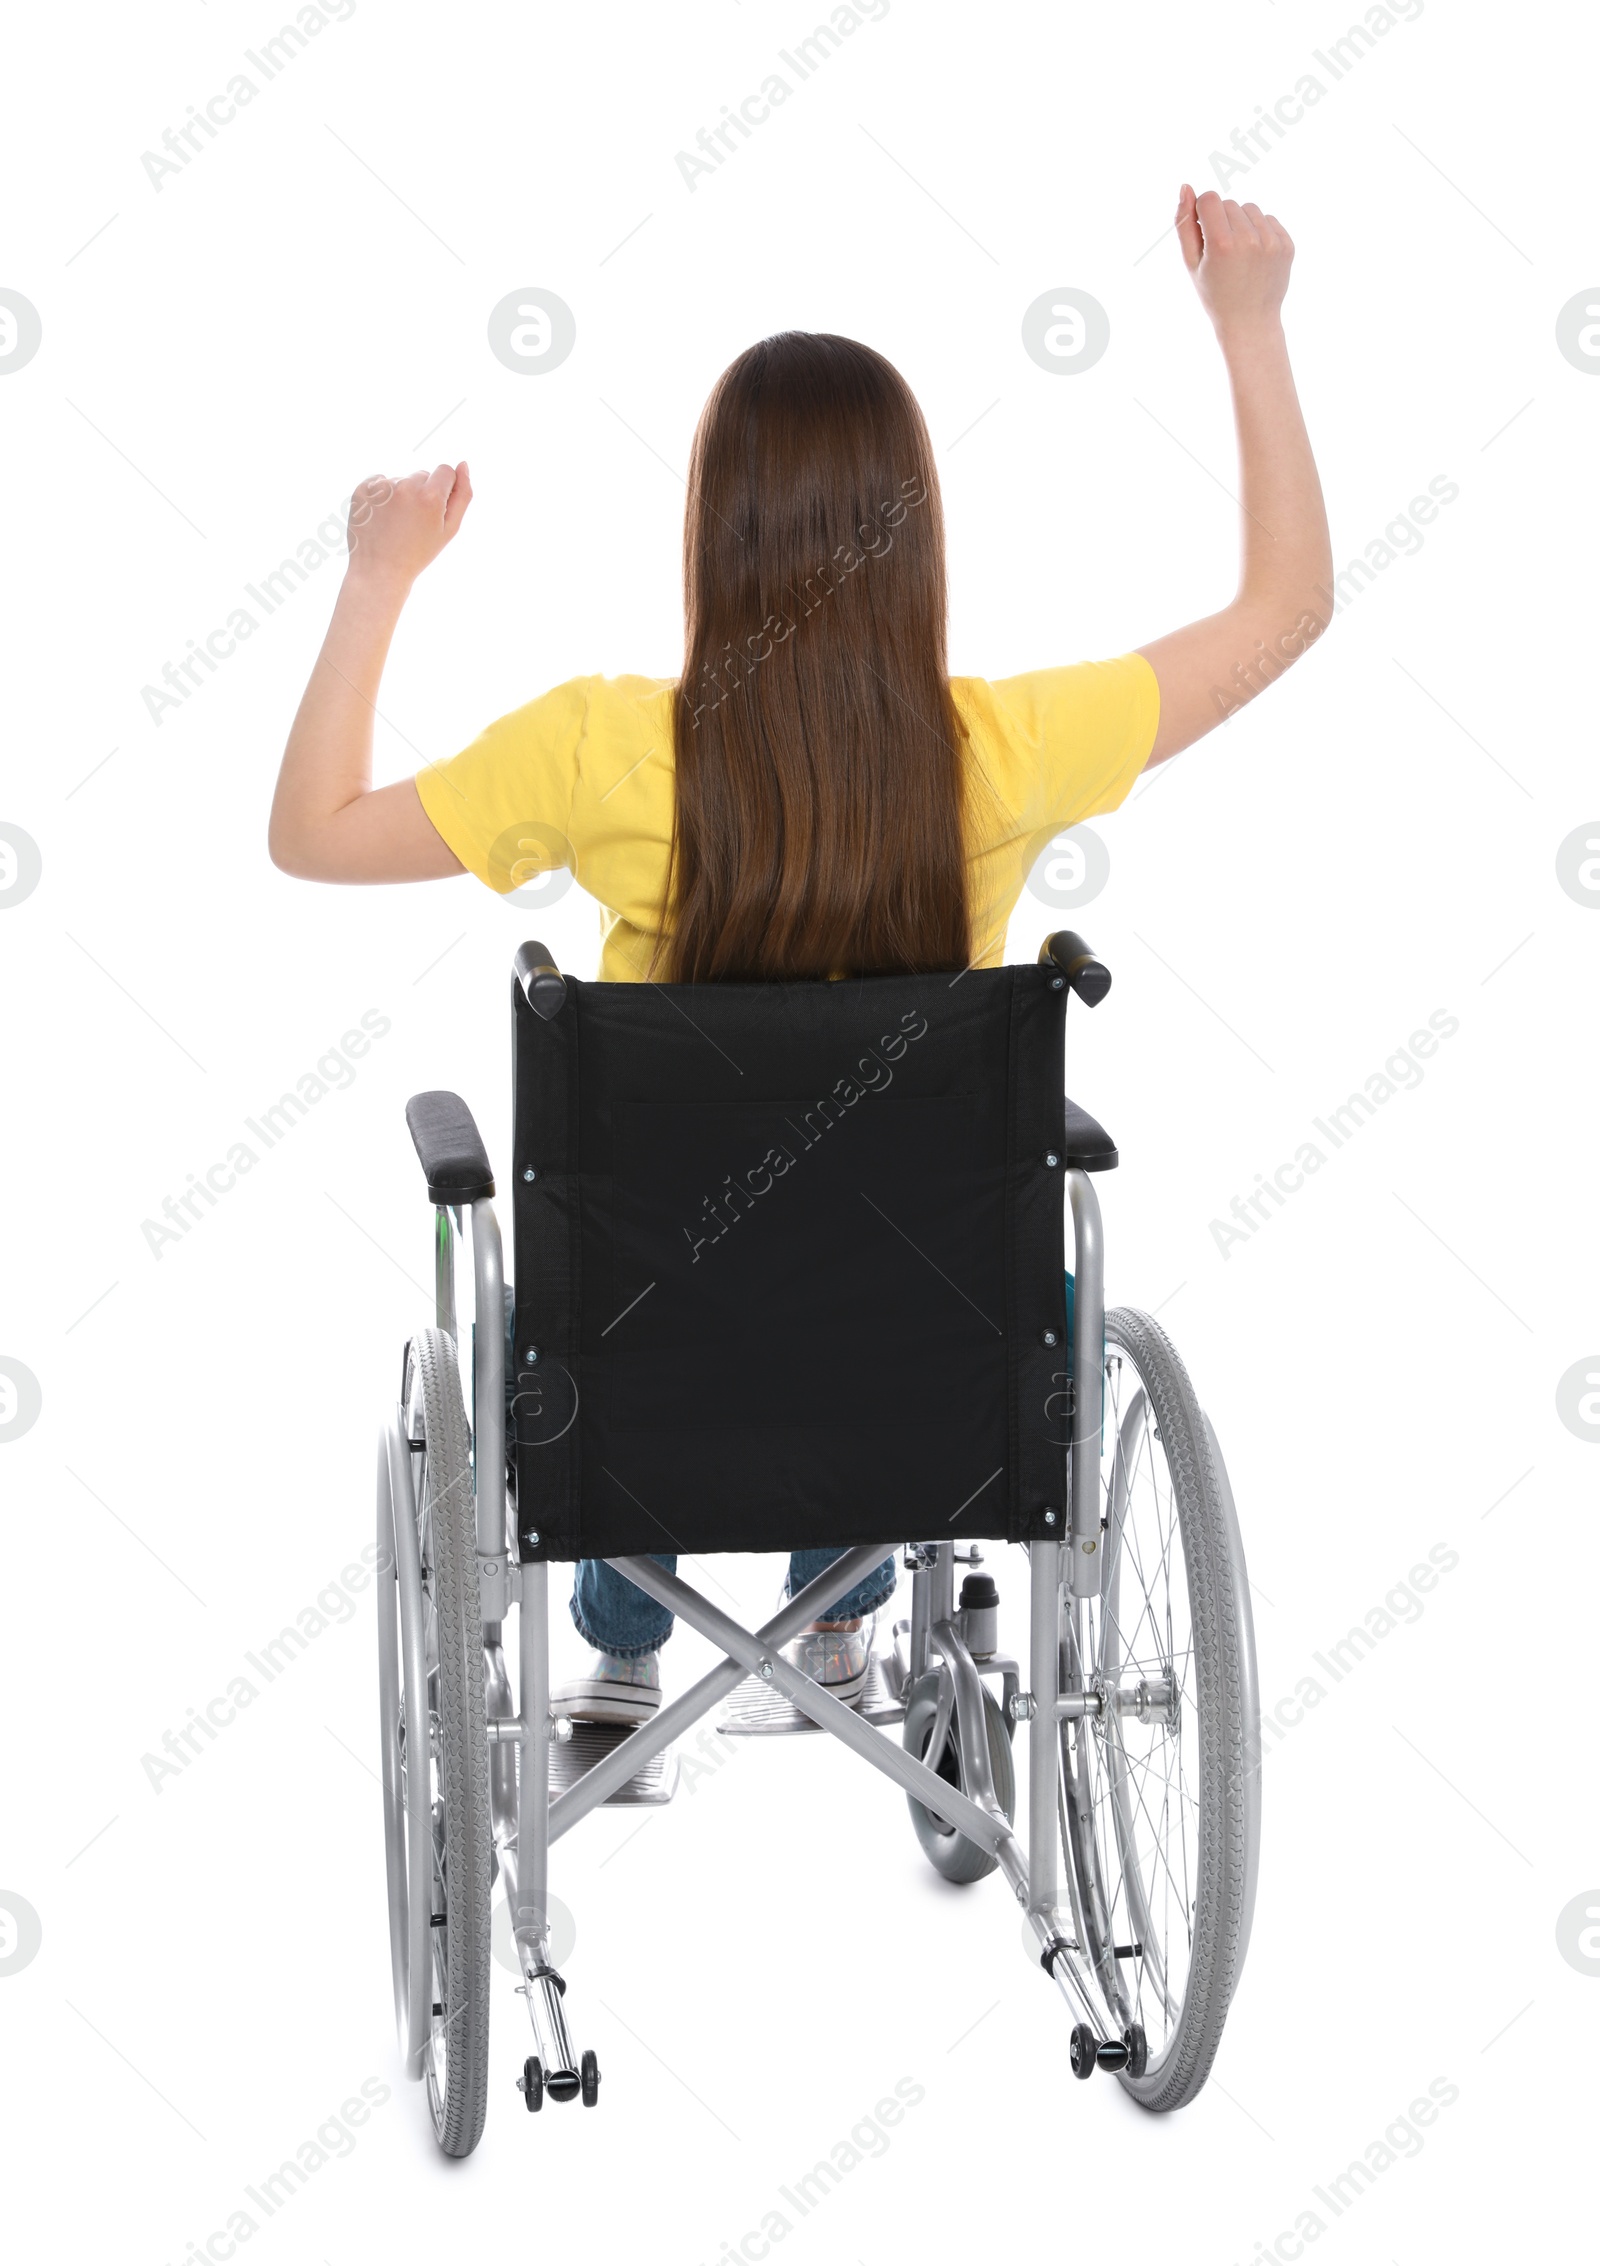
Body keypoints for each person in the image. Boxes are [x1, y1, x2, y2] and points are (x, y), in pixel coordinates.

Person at [269, 185, 1331, 1724]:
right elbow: (1287, 608)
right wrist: (1250, 325)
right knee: (881, 1240)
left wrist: (377, 575)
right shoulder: (1006, 750)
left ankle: (627, 1634)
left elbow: (311, 831)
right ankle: (844, 1605)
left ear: (715, 530)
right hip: (915, 1378)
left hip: (652, 1378)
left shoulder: (596, 750)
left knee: (651, 1275)